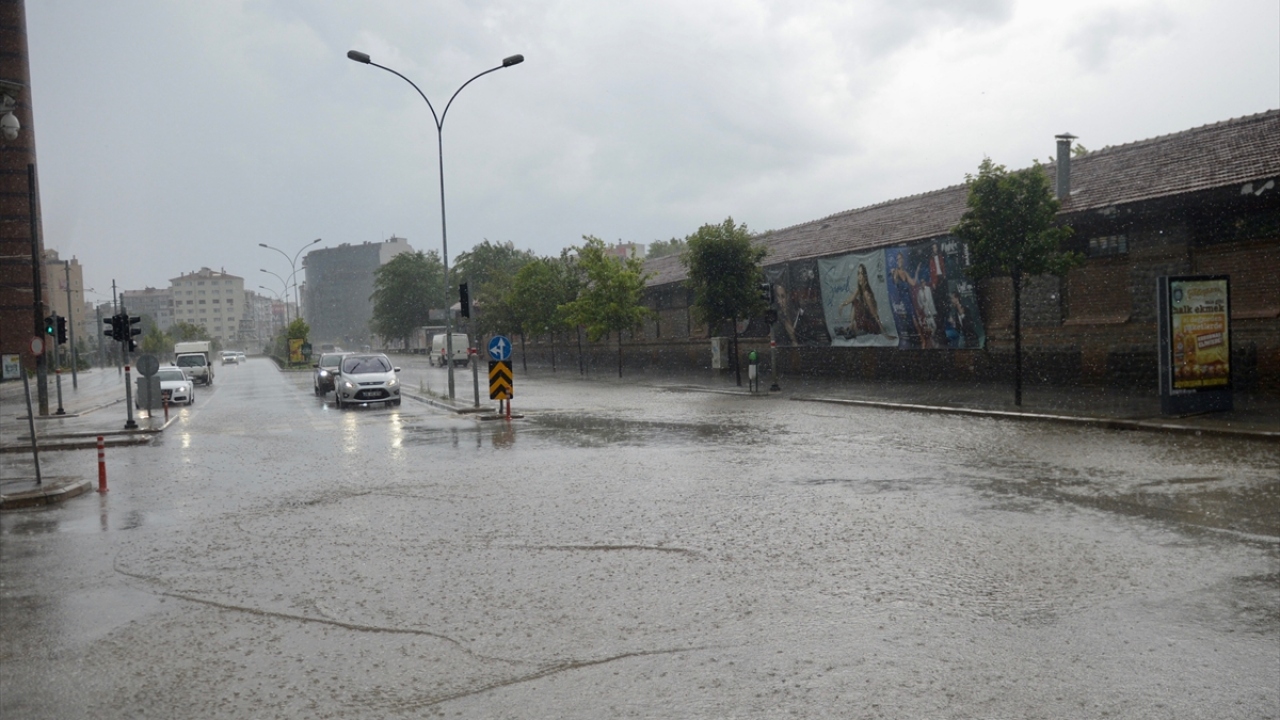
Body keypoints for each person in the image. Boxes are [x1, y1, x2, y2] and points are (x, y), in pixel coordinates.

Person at [838, 263, 885, 337]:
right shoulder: (860, 289)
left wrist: (882, 329)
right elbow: (851, 298)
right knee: (855, 301)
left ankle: (850, 329)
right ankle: (850, 327)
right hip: (865, 320)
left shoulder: (866, 292)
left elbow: (874, 313)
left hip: (871, 324)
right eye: (858, 273)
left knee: (856, 302)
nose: (860, 276)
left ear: (865, 276)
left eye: (862, 274)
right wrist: (842, 304)